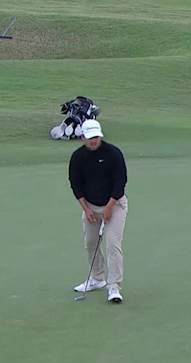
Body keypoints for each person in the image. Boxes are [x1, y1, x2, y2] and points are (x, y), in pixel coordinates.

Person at [68, 119, 128, 303]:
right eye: (89, 137)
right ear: (83, 138)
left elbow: (120, 183)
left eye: (96, 136)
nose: (93, 140)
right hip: (91, 206)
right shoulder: (78, 157)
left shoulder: (113, 153)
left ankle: (114, 287)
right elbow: (76, 185)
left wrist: (108, 208)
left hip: (115, 205)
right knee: (91, 242)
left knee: (112, 244)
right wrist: (86, 209)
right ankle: (97, 278)